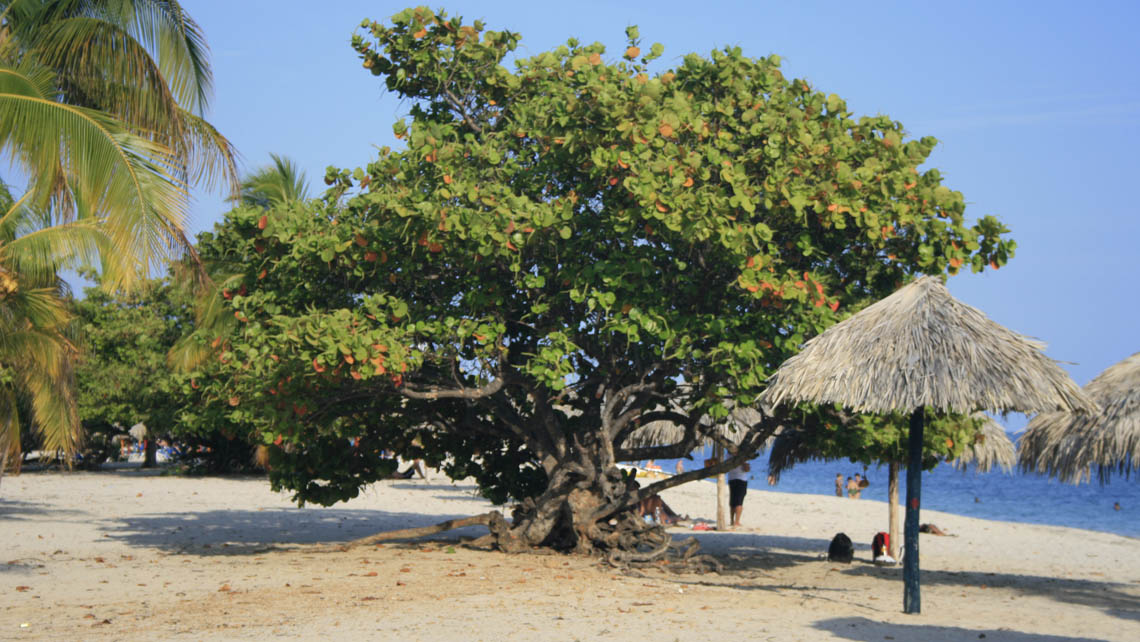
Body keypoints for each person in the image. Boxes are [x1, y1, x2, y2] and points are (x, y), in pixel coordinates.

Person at [728, 462, 751, 527]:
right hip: (741, 479)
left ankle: (732, 520)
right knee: (739, 502)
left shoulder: (729, 455)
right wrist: (744, 463)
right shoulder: (743, 456)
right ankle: (737, 522)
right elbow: (747, 469)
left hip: (731, 479)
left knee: (733, 501)